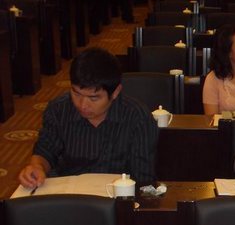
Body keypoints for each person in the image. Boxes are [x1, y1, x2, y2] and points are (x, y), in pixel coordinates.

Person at [18, 47, 158, 188]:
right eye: (76, 93)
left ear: (115, 92)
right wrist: (37, 167)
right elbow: (46, 151)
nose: (83, 105)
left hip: (118, 195)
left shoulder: (137, 118)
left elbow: (143, 178)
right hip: (69, 192)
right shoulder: (59, 110)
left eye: (93, 98)